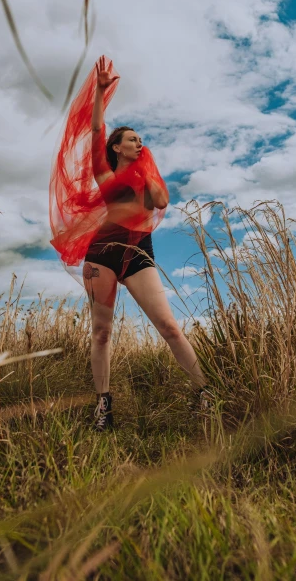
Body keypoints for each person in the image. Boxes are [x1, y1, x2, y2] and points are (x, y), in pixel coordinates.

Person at [50, 56, 207, 431]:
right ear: (118, 147)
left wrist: (147, 166)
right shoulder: (105, 175)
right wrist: (101, 91)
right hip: (103, 254)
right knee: (101, 332)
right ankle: (103, 406)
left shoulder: (146, 178)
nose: (140, 143)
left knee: (169, 326)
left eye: (141, 140)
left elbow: (162, 202)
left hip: (139, 255)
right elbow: (96, 130)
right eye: (133, 139)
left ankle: (205, 393)